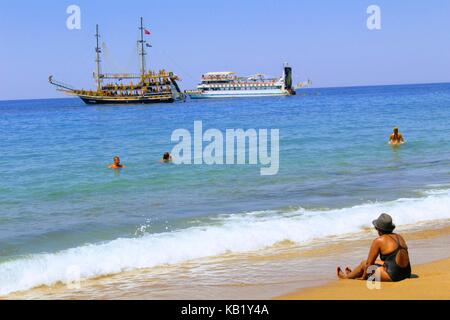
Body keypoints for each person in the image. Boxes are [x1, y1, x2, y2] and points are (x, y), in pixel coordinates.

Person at [337, 213, 411, 282]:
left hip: (394, 276)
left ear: (378, 229)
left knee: (364, 263)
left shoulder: (379, 241)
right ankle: (353, 274)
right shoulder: (399, 237)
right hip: (407, 273)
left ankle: (346, 277)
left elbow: (368, 265)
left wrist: (364, 277)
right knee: (376, 262)